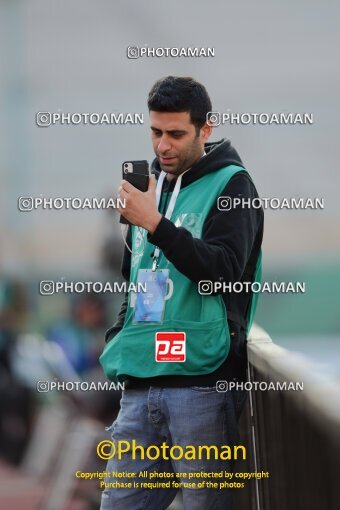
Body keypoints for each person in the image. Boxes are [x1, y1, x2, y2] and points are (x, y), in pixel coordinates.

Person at [99, 76, 264, 510]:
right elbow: (134, 276)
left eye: (176, 134)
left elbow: (225, 271)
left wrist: (155, 224)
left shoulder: (233, 185)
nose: (163, 146)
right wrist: (120, 333)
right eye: (156, 132)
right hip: (140, 381)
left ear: (205, 130)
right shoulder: (151, 188)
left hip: (202, 386)